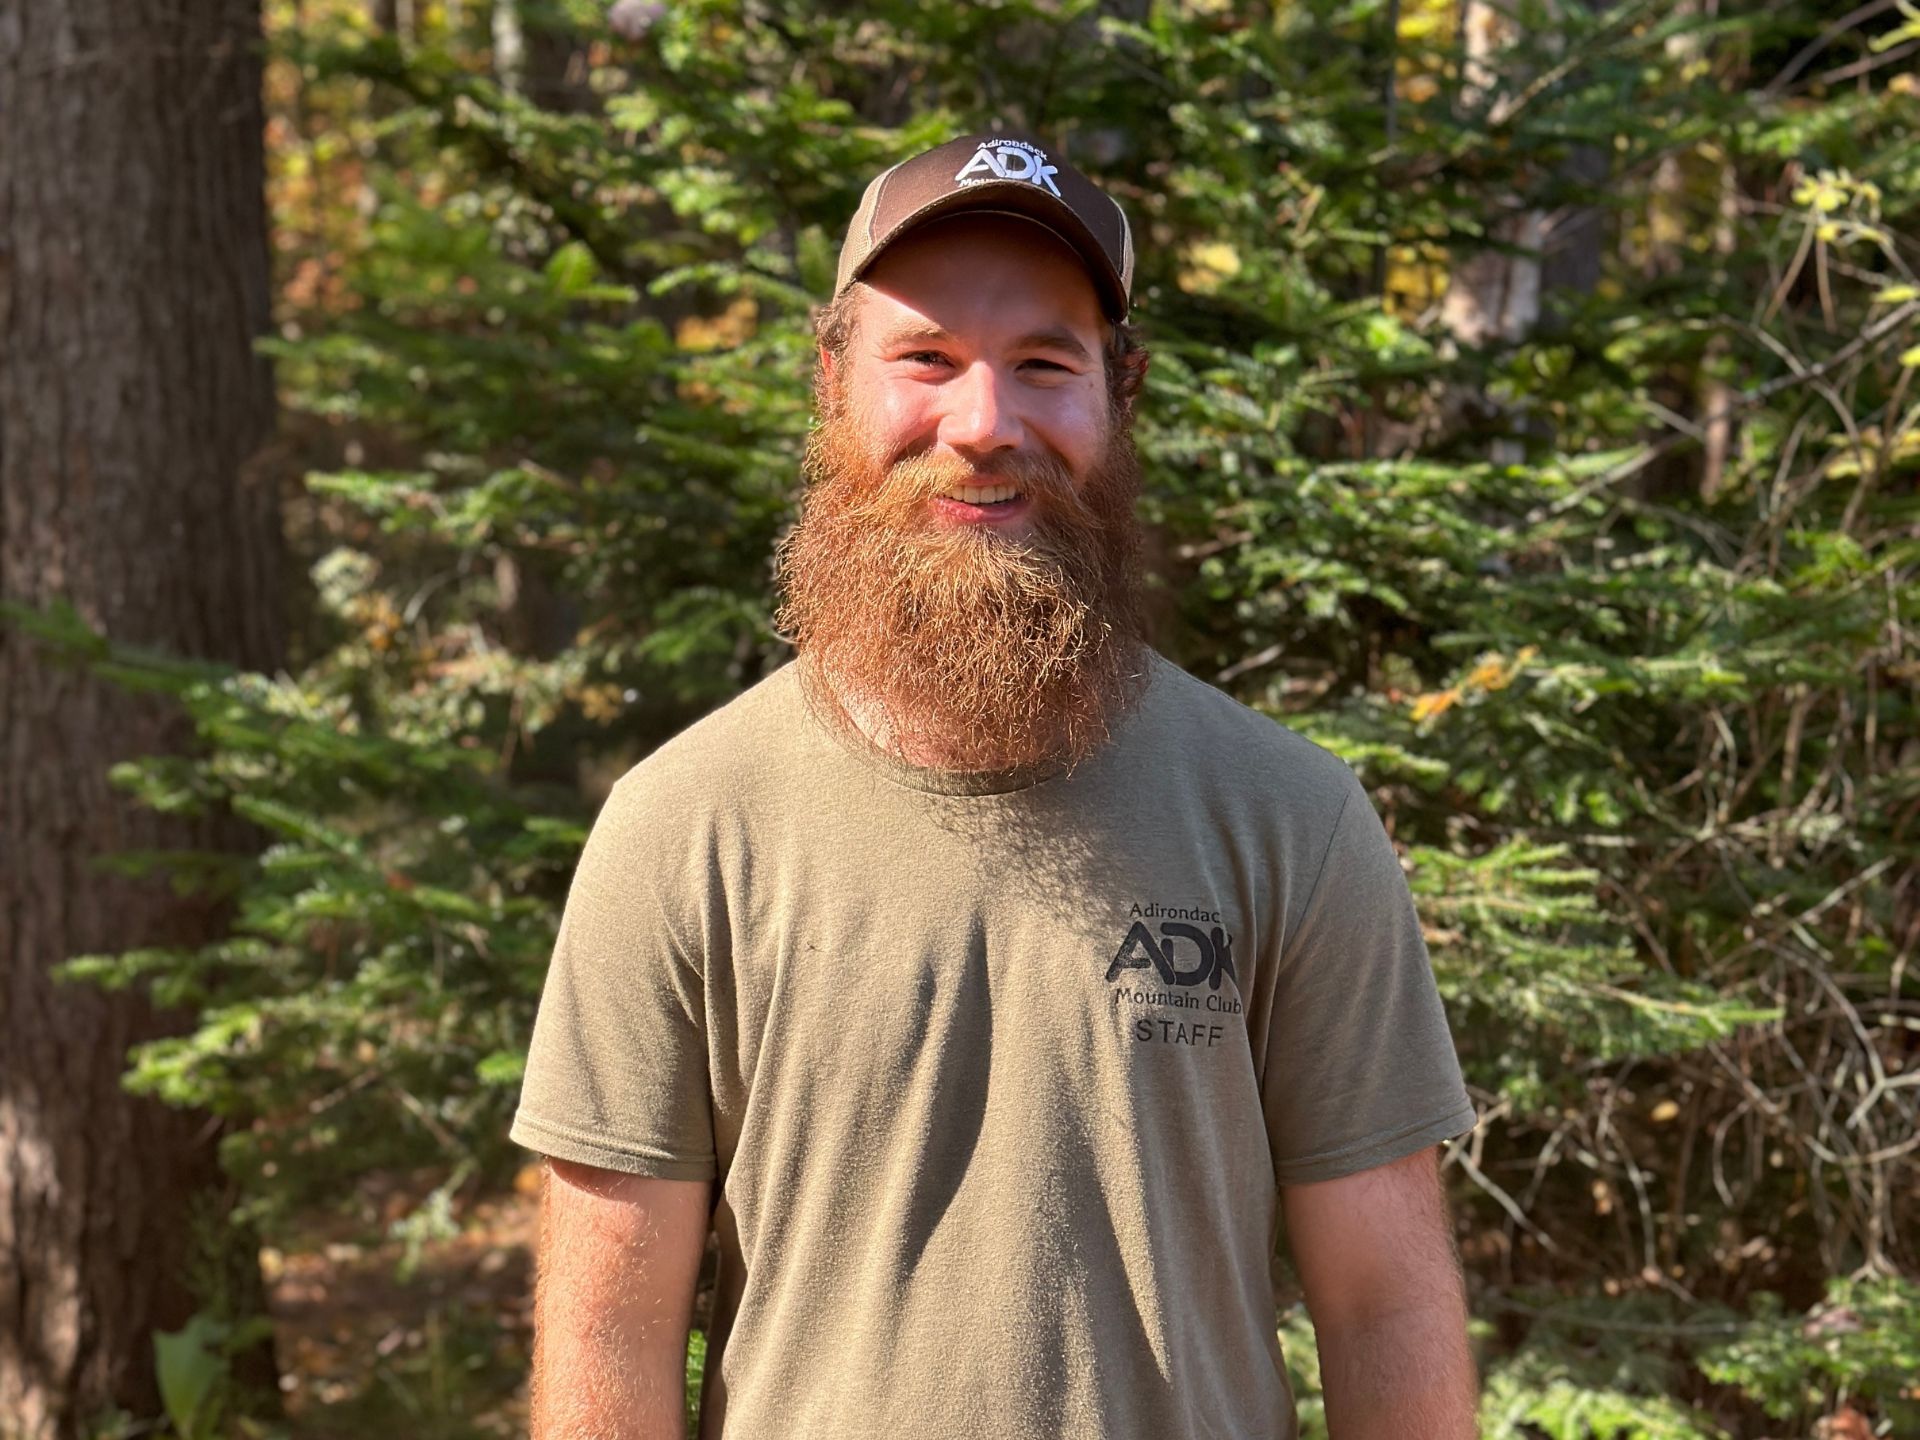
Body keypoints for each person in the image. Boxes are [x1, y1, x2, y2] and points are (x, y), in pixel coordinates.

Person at [510, 132, 1480, 1440]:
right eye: (925, 360)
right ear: (833, 379)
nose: (984, 426)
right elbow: (606, 1338)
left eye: (1043, 365)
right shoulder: (684, 831)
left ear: (1117, 396)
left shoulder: (1289, 819)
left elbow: (1387, 1312)